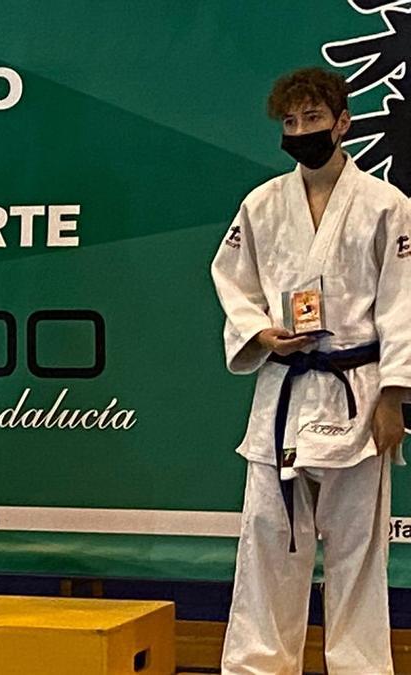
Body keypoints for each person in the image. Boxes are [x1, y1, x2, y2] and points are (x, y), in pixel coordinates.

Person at [211, 67, 410, 674]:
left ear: (342, 121)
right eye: (290, 123)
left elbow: (404, 300)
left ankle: (359, 667)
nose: (300, 132)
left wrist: (394, 397)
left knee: (357, 555)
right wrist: (257, 333)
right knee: (268, 546)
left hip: (357, 392)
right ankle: (256, 667)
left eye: (312, 120)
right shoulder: (262, 204)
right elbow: (231, 281)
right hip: (284, 394)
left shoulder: (387, 205)